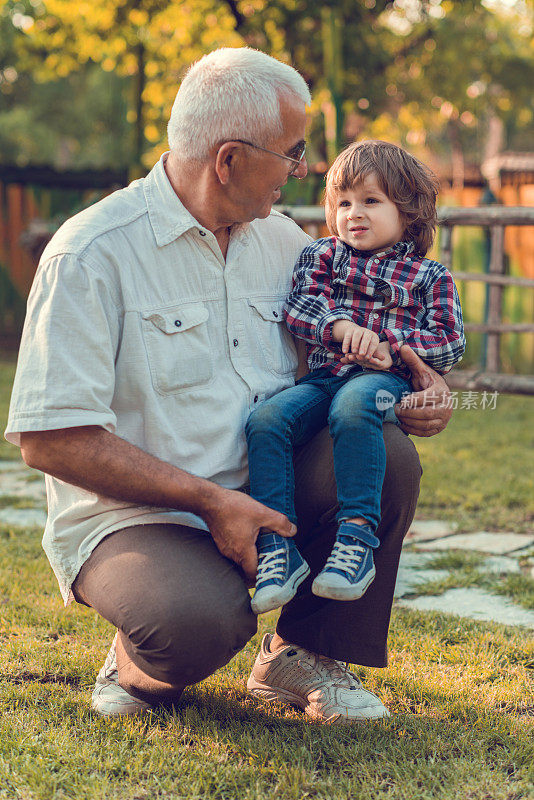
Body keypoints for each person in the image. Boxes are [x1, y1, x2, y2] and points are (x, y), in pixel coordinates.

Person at [5, 48, 454, 724]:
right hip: (141, 517)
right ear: (230, 159)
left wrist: (424, 388)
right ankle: (138, 653)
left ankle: (299, 653)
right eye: (292, 154)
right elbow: (50, 441)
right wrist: (210, 501)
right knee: (196, 624)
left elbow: (338, 366)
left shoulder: (290, 246)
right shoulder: (91, 254)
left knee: (384, 452)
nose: (303, 172)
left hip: (267, 487)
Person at [246, 140, 465, 615]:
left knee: (355, 403)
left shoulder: (430, 278)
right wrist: (342, 328)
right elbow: (300, 308)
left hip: (382, 384)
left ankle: (357, 538)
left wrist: (391, 346)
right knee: (267, 419)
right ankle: (277, 546)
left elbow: (449, 341)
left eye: (370, 201)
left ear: (407, 212)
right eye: (342, 202)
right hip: (324, 378)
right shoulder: (324, 256)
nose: (353, 214)